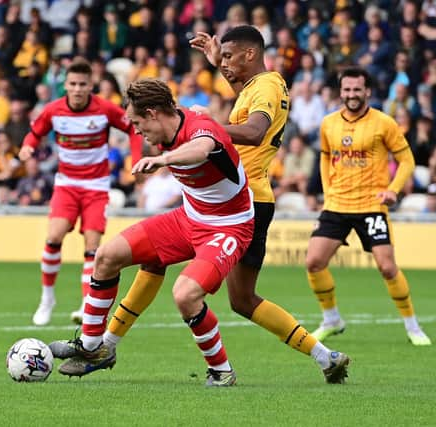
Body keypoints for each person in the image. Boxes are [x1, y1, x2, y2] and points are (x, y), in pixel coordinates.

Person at [88, 26, 351, 384]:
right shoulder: (256, 88)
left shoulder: (269, 87)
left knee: (241, 299)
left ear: (250, 55)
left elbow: (255, 130)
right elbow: (246, 117)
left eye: (228, 57)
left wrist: (205, 130)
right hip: (222, 198)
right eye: (221, 58)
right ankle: (106, 344)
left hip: (244, 203)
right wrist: (216, 70)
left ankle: (320, 355)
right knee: (159, 261)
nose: (223, 64)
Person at [49, 78, 258, 386]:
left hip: (229, 226)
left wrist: (163, 160)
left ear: (152, 113)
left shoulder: (201, 129)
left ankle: (221, 371)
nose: (136, 130)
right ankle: (94, 348)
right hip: (190, 218)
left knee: (185, 294)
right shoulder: (171, 122)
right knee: (107, 255)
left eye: (136, 122)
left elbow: (202, 149)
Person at [306, 67, 431, 346]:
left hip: (371, 206)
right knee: (313, 262)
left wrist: (393, 190)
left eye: (357, 90)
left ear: (367, 92)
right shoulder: (328, 123)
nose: (351, 95)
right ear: (341, 92)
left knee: (387, 267)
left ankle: (412, 326)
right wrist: (328, 192)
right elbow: (326, 158)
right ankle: (331, 319)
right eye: (347, 90)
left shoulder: (384, 123)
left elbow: (407, 161)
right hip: (337, 204)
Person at [18, 60, 142, 326]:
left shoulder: (104, 109)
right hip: (67, 185)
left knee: (93, 247)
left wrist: (136, 159)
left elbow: (132, 128)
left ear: (91, 85)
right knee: (53, 237)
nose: (77, 89)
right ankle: (47, 298)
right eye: (72, 84)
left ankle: (87, 302)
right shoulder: (53, 110)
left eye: (82, 84)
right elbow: (34, 133)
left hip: (96, 187)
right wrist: (27, 147)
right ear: (65, 85)